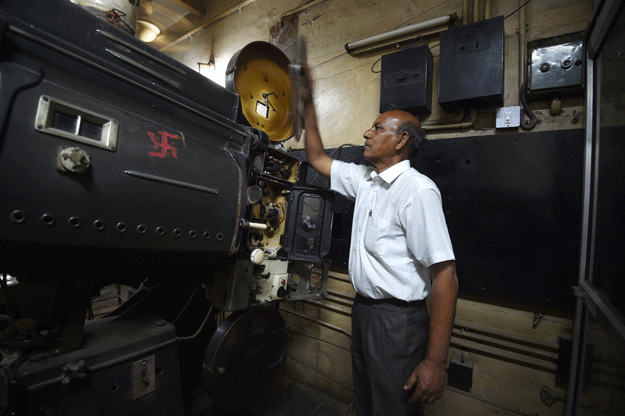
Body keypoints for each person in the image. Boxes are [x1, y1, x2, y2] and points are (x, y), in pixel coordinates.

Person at [301, 67, 458, 416]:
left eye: (377, 128)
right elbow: (316, 157)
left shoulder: (416, 191)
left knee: (392, 408)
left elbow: (445, 276)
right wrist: (308, 102)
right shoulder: (366, 181)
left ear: (401, 141)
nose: (366, 133)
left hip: (397, 323)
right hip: (365, 312)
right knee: (367, 403)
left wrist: (434, 362)